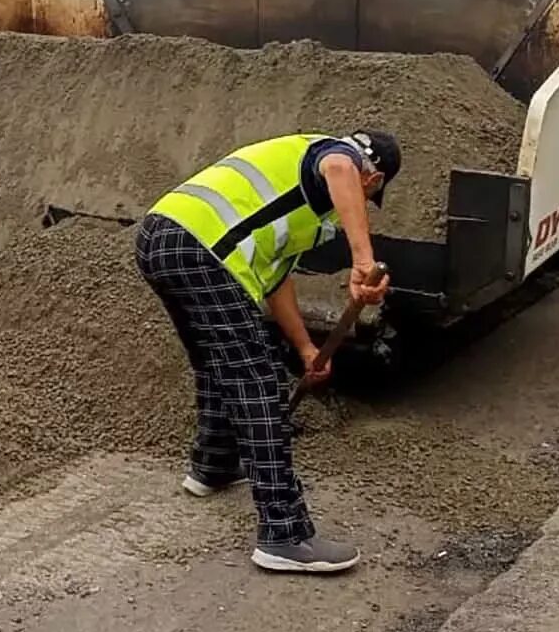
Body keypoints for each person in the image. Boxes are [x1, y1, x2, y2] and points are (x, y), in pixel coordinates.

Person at [135, 131, 401, 575]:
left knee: (217, 363)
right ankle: (284, 533)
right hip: (199, 246)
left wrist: (305, 348)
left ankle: (214, 464)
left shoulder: (295, 199)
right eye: (367, 190)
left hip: (162, 237)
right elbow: (339, 166)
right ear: (371, 179)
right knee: (257, 379)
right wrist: (362, 260)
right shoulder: (332, 156)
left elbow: (275, 281)